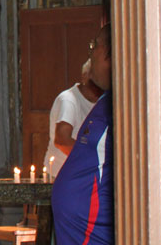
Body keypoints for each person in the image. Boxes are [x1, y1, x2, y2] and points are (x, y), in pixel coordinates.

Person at [51, 24, 114, 244]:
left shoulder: (124, 103)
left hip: (93, 231)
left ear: (109, 52)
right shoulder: (105, 101)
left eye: (94, 46)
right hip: (77, 230)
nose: (90, 54)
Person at [44, 59, 102, 179]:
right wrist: (92, 159)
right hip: (64, 175)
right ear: (85, 76)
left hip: (84, 174)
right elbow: (62, 140)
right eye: (97, 78)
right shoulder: (69, 100)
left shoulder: (101, 101)